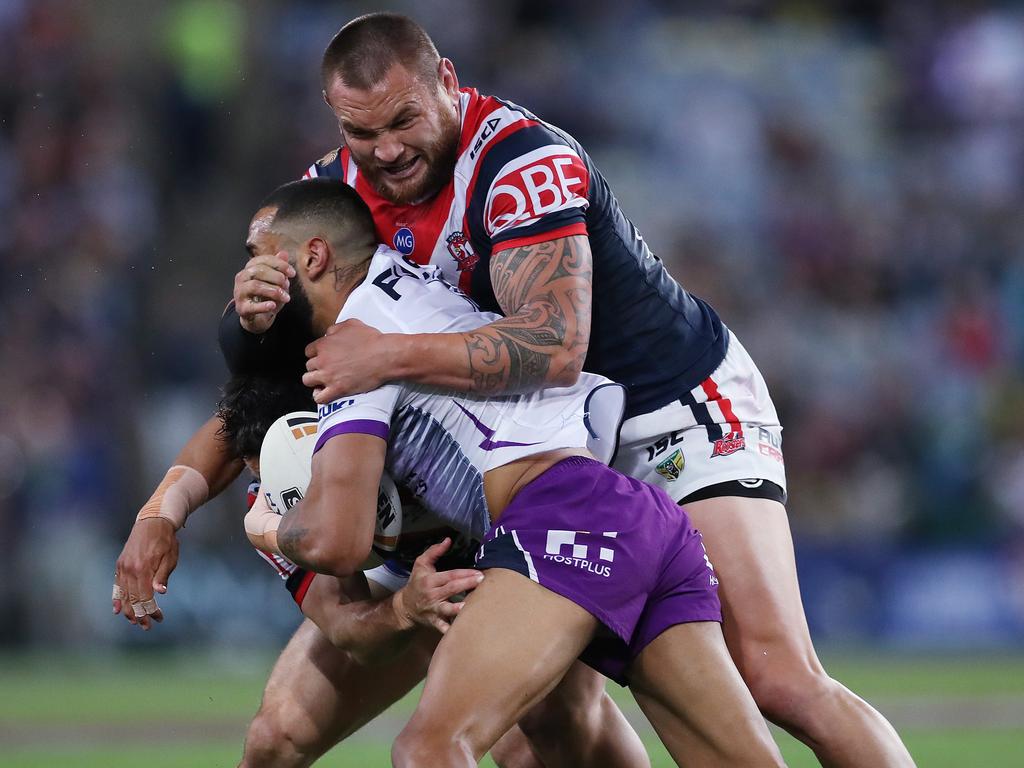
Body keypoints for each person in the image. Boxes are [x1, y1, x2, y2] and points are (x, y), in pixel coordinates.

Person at [220, 13, 911, 767]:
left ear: (446, 82)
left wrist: (385, 357)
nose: (386, 150)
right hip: (540, 452)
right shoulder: (335, 196)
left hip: (668, 409)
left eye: (404, 119)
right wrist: (249, 315)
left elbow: (553, 344)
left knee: (778, 678)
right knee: (539, 725)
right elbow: (267, 354)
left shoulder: (520, 162)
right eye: (361, 132)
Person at [240, 176, 786, 767]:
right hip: (635, 511)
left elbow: (337, 542)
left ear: (312, 257)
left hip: (561, 517)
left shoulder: (355, 340)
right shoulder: (418, 290)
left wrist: (271, 526)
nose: (245, 281)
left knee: (429, 750)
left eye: (256, 260)